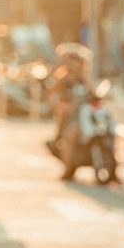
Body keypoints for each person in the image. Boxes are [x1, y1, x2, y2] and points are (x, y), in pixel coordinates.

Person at [47, 48, 93, 181]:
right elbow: (54, 97)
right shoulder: (63, 80)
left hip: (86, 114)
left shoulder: (84, 78)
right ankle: (68, 169)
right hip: (71, 117)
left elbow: (93, 92)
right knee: (69, 137)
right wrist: (64, 106)